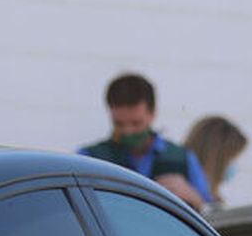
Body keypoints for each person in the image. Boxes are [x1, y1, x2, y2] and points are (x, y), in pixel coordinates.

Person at [79, 73, 213, 211]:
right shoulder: (89, 158)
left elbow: (208, 210)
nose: (128, 131)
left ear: (153, 114)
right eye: (118, 124)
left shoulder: (182, 158)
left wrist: (193, 197)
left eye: (136, 123)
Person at [183, 115, 247, 211]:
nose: (234, 165)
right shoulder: (186, 197)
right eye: (232, 159)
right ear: (216, 160)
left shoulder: (210, 201)